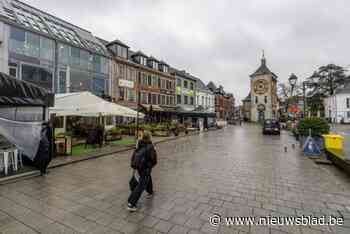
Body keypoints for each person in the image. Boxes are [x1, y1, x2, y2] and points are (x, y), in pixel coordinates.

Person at [127, 131, 157, 211]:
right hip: (145, 168)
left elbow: (134, 156)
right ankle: (131, 204)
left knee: (147, 178)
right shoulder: (150, 146)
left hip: (138, 167)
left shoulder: (139, 144)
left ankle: (150, 191)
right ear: (150, 137)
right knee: (141, 185)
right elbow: (154, 160)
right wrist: (154, 151)